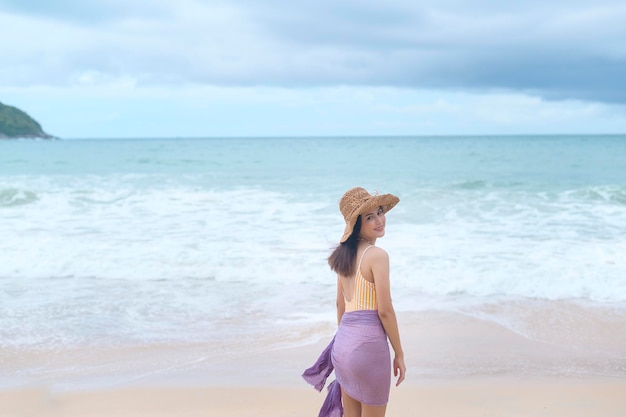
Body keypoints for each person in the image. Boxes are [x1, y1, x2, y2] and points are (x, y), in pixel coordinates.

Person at [303, 187, 406, 417]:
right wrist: (399, 353)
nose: (380, 220)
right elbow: (385, 311)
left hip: (343, 347)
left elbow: (341, 306)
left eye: (380, 212)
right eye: (370, 217)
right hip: (368, 349)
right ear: (357, 224)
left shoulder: (345, 257)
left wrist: (347, 344)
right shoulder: (377, 256)